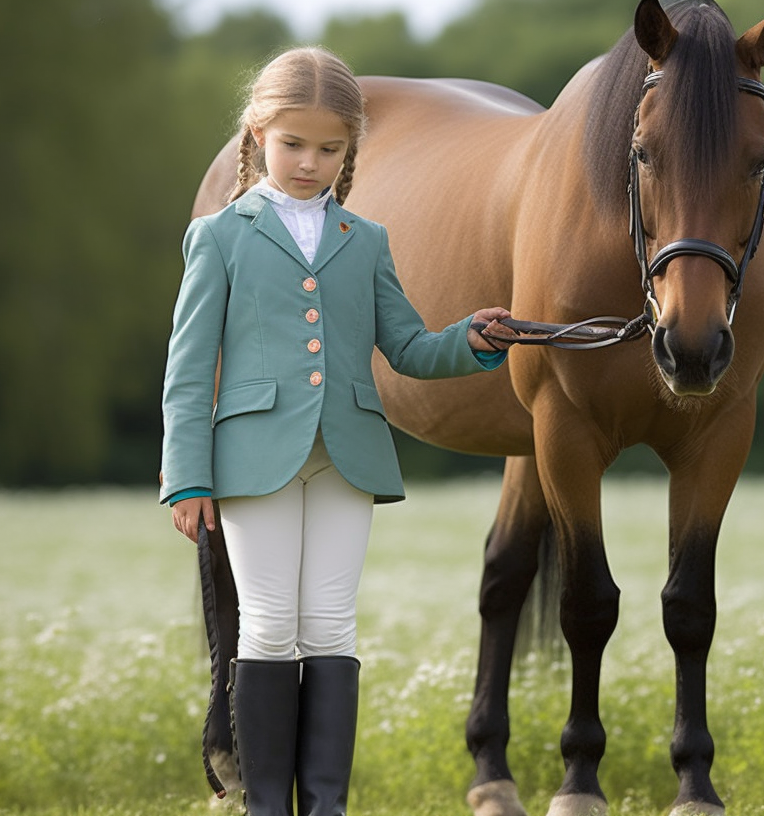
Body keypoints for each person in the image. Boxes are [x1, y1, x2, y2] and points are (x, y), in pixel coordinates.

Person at [159, 46, 513, 816]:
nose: (309, 163)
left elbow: (409, 348)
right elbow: (189, 372)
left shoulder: (368, 239)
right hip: (253, 459)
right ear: (257, 134)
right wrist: (186, 477)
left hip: (348, 455)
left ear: (351, 149)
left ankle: (325, 805)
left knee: (330, 624)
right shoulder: (219, 238)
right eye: (293, 145)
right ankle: (264, 805)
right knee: (269, 624)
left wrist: (473, 340)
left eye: (329, 148)